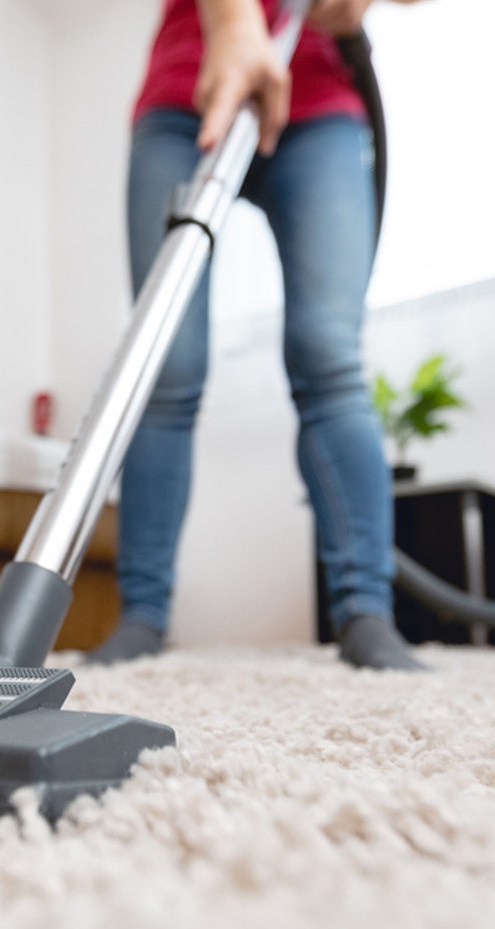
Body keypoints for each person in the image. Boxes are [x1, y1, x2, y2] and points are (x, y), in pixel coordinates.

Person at [88, 0, 427, 671]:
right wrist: (234, 22)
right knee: (165, 365)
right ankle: (141, 618)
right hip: (188, 92)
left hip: (322, 103)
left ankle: (366, 614)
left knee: (328, 354)